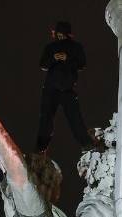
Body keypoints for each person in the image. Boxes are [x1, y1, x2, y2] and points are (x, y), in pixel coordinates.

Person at [36, 21, 93, 153]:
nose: (60, 36)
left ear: (67, 34)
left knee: (75, 118)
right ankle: (40, 148)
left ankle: (87, 144)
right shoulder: (50, 47)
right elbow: (43, 64)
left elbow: (82, 64)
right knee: (46, 118)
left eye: (62, 34)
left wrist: (67, 58)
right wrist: (54, 58)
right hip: (50, 88)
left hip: (68, 88)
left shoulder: (76, 47)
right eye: (58, 34)